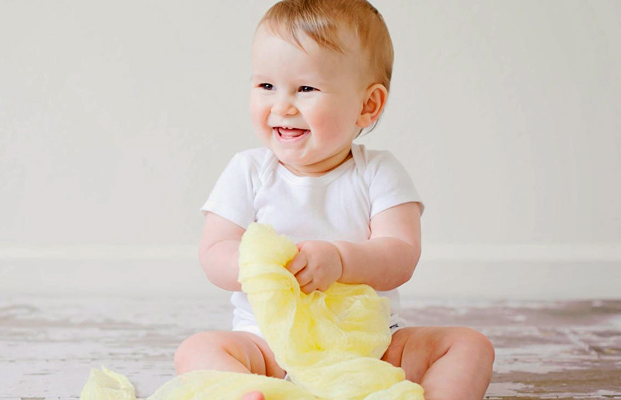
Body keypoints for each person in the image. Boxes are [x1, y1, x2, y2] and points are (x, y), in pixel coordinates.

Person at [173, 1, 495, 399]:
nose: (281, 106)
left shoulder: (378, 172)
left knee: (469, 345)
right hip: (271, 347)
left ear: (367, 105)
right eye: (266, 86)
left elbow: (400, 254)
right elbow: (214, 251)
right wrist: (261, 266)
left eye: (306, 88)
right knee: (197, 350)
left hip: (371, 347)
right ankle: (260, 394)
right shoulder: (248, 171)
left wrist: (340, 260)